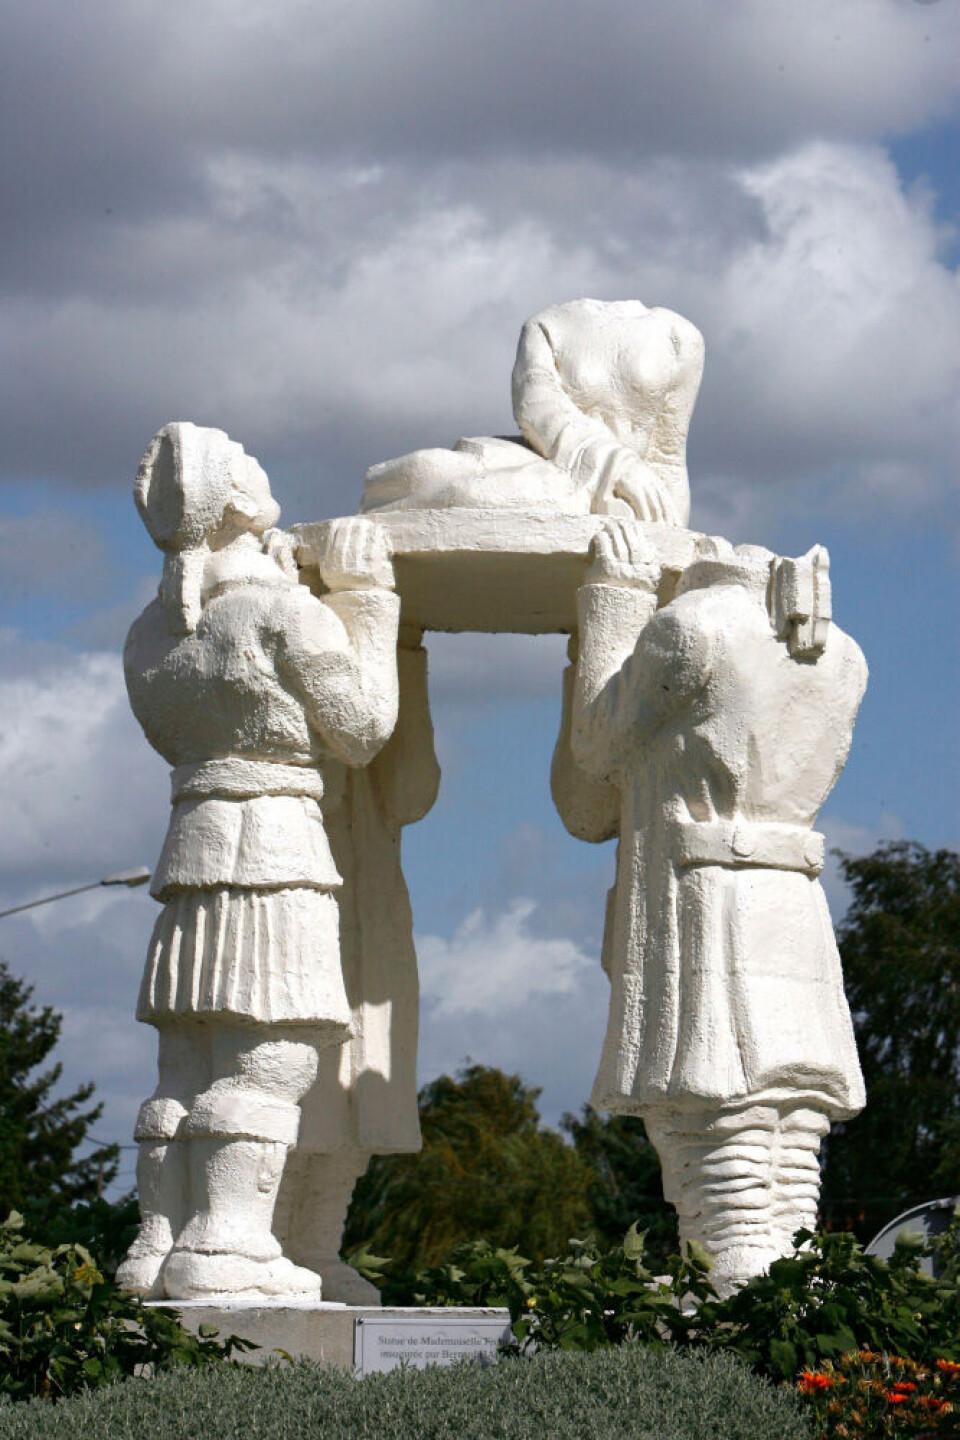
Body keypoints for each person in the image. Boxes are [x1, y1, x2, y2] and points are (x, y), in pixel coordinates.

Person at [117, 422, 400, 1300]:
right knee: (269, 1060)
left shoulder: (148, 635)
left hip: (192, 848)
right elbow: (363, 729)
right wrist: (368, 603)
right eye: (242, 459)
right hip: (273, 843)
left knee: (186, 1063)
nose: (256, 463)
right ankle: (228, 1245)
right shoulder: (280, 613)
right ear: (236, 500)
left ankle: (155, 1248)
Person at [568, 523, 867, 1290]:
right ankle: (782, 1266)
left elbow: (594, 755)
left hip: (702, 887)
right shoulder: (841, 651)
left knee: (711, 1085)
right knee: (791, 1097)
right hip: (787, 891)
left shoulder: (688, 629)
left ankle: (733, 1268)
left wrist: (614, 601)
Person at [274, 624, 440, 1302]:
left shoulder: (375, 679)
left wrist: (405, 661)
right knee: (287, 1074)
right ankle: (267, 1240)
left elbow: (410, 793)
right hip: (289, 892)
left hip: (367, 903)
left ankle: (315, 1246)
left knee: (355, 1086)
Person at [363, 299, 704, 526]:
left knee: (475, 496)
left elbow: (669, 457)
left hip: (618, 495)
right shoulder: (546, 325)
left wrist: (671, 530)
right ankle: (374, 514)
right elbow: (538, 408)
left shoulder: (679, 336)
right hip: (559, 461)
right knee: (426, 468)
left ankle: (389, 517)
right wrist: (615, 465)